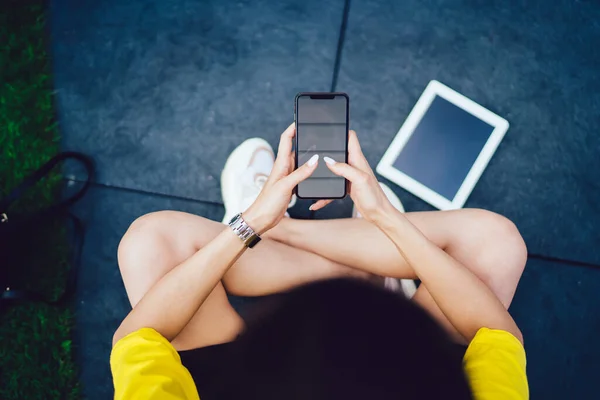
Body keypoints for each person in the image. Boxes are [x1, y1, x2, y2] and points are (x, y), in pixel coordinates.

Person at [111, 123, 529, 399]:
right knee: (496, 244)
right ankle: (362, 268)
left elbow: (136, 338)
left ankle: (300, 241)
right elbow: (497, 333)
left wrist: (256, 221)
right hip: (404, 366)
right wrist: (385, 219)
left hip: (229, 378)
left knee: (150, 243)